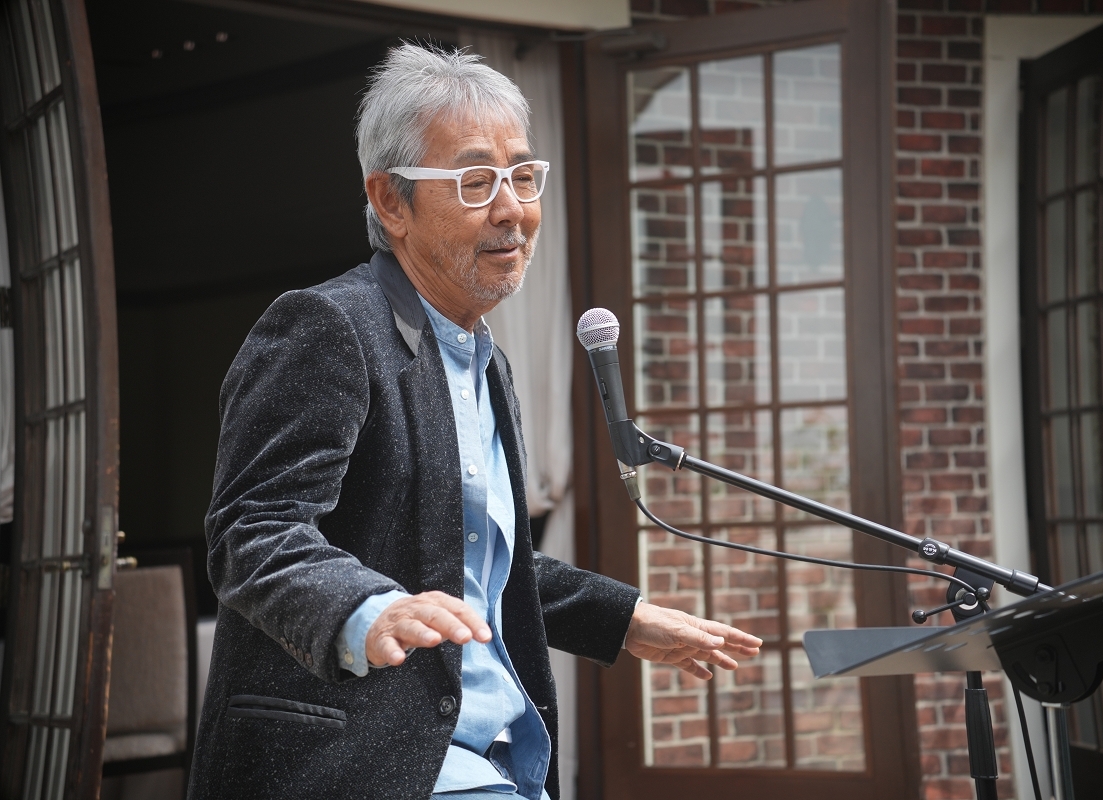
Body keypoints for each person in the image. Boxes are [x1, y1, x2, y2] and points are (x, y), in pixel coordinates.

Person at [187, 44, 761, 800]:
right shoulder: (329, 328)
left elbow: (475, 563)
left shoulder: (484, 361)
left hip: (495, 757)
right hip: (359, 763)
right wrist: (370, 610)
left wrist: (624, 619)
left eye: (523, 176)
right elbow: (252, 532)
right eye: (476, 180)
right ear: (391, 202)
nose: (512, 209)